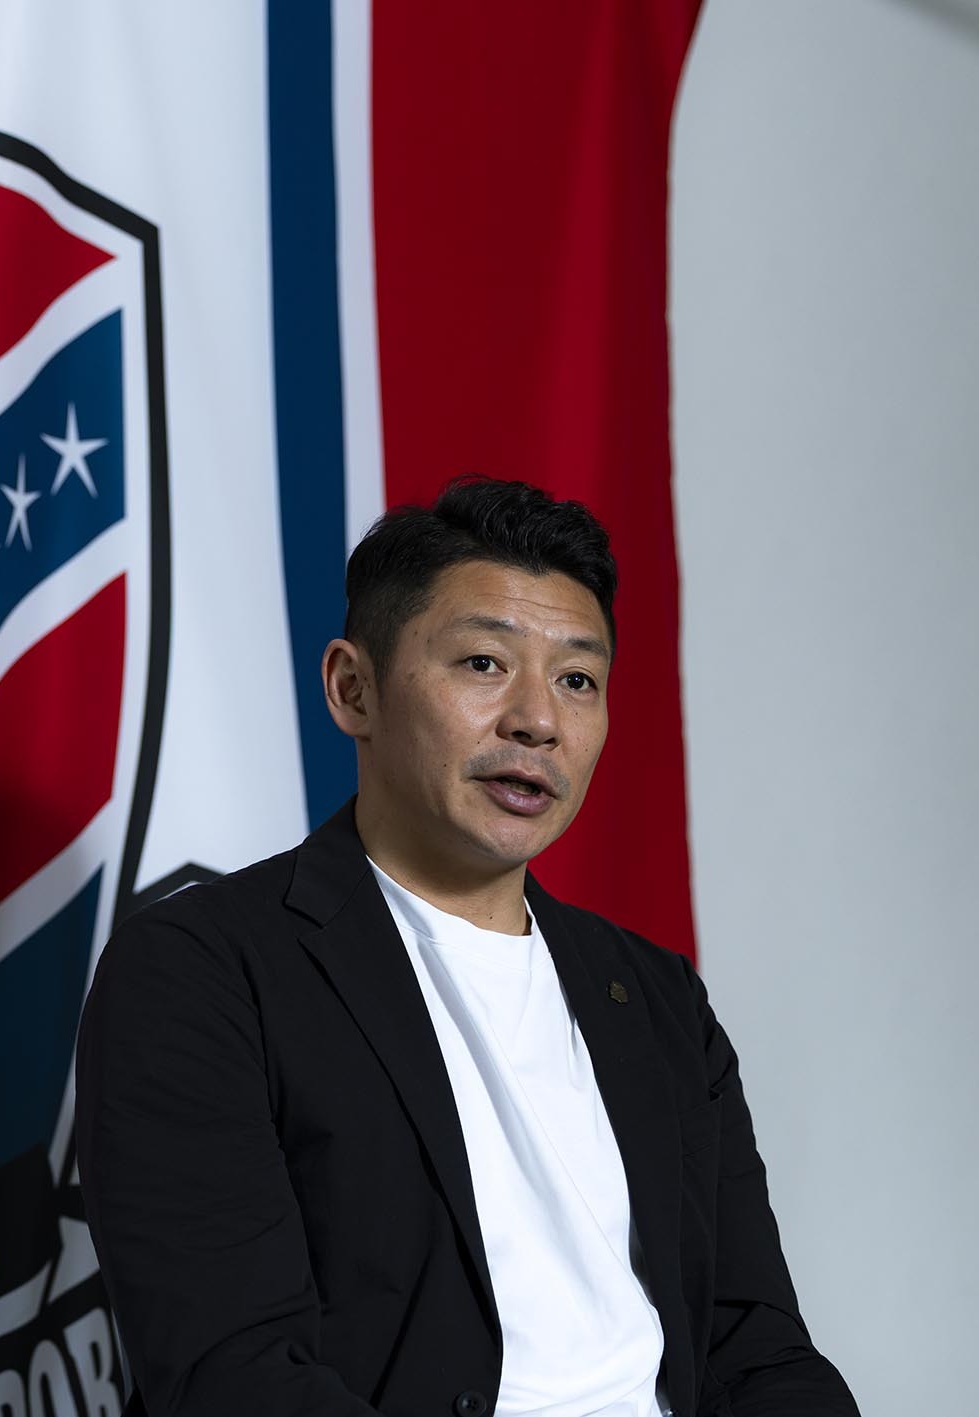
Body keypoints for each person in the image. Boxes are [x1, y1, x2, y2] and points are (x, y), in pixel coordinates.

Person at [74, 478, 858, 1416]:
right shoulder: (203, 971)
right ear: (353, 689)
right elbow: (235, 1373)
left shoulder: (654, 996)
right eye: (484, 662)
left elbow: (755, 1344)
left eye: (577, 679)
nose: (538, 719)